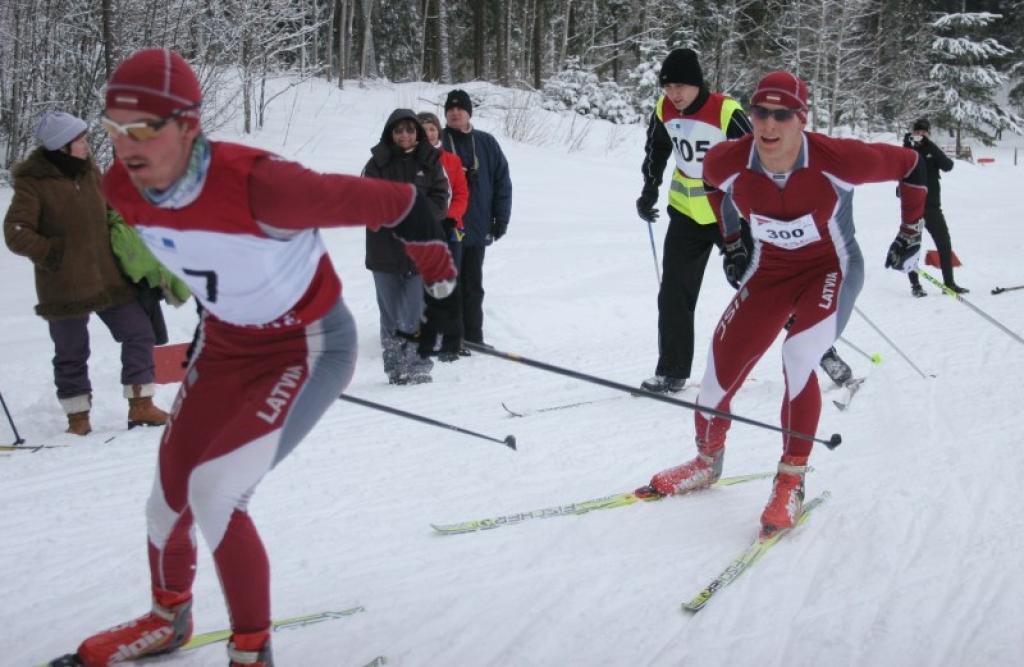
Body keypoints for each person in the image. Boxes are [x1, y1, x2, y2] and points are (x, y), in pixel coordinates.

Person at [53, 48, 456, 667]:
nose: (124, 146)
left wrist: (433, 260)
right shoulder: (119, 188)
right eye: (113, 128)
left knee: (216, 491)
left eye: (143, 128)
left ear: (188, 125)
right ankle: (169, 618)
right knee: (167, 496)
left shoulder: (264, 185)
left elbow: (399, 201)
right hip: (225, 345)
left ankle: (251, 650)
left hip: (307, 346)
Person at [644, 71, 927, 535]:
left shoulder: (838, 158)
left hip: (831, 271)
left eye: (782, 115)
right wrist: (733, 240)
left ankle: (790, 480)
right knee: (719, 366)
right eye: (760, 113)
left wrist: (911, 231)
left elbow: (913, 165)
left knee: (797, 356)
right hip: (771, 272)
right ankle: (706, 461)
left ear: (801, 118)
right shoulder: (727, 161)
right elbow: (715, 189)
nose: (769, 125)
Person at [3, 111, 168, 436]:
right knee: (71, 351)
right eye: (79, 140)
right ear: (61, 146)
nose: (86, 144)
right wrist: (54, 253)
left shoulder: (90, 172)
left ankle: (141, 405)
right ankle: (78, 419)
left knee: (139, 332)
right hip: (63, 283)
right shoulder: (33, 183)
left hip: (107, 277)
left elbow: (109, 209)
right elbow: (16, 232)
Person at [634, 48, 752, 393]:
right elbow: (656, 150)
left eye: (681, 86)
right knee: (674, 294)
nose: (674, 94)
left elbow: (755, 159)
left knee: (760, 288)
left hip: (730, 216)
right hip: (686, 214)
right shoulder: (664, 109)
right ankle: (672, 371)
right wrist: (649, 190)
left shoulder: (726, 111)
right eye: (668, 87)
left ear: (698, 84)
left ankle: (822, 351)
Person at [363, 109, 451, 385]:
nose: (404, 135)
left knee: (417, 311)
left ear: (418, 133)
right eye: (399, 130)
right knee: (390, 315)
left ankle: (418, 364)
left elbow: (441, 197)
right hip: (384, 252)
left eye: (410, 130)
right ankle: (395, 367)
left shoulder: (431, 160)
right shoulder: (376, 163)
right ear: (391, 133)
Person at [442, 89, 512, 349]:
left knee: (473, 283)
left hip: (477, 224)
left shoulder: (486, 142)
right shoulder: (436, 141)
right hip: (447, 227)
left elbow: (502, 182)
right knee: (450, 283)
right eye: (451, 109)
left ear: (469, 112)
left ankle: (474, 336)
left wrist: (501, 218)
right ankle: (452, 338)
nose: (455, 113)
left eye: (460, 109)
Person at [419, 110, 469, 361]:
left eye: (432, 128)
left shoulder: (450, 159)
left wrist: (451, 217)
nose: (428, 133)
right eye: (423, 128)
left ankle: (453, 340)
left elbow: (461, 192)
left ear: (438, 131)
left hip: (451, 229)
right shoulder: (411, 160)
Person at [902, 117, 966, 296]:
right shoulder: (906, 149)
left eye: (924, 132)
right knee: (912, 246)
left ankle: (949, 284)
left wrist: (930, 146)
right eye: (918, 131)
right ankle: (916, 286)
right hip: (913, 207)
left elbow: (948, 165)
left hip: (932, 206)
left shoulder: (930, 148)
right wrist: (909, 146)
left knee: (944, 243)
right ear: (913, 132)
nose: (921, 134)